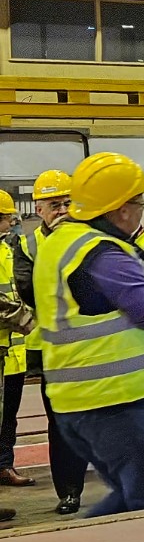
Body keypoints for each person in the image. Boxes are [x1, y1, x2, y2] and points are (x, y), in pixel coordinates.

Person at [35, 152, 144, 517]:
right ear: (122, 209)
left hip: (85, 400)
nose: (140, 212)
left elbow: (112, 299)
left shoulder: (64, 241)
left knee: (136, 498)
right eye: (139, 204)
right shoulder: (102, 253)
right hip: (115, 401)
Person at [12, 169, 90, 515]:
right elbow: (30, 291)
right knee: (62, 421)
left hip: (95, 345)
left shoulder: (89, 236)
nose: (61, 210)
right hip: (54, 351)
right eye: (54, 204)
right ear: (39, 209)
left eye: (67, 203)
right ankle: (69, 491)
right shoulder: (27, 245)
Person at [0, 192, 21, 522]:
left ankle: (3, 466)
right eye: (7, 218)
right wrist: (28, 320)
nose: (12, 223)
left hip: (9, 348)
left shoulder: (7, 249)